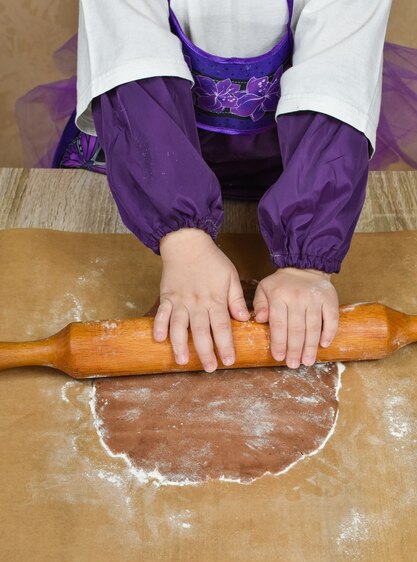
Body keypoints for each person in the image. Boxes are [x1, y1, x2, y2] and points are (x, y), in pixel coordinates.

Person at [68, 0, 393, 371]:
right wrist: (183, 241)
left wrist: (308, 262)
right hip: (150, 160)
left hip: (299, 166)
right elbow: (130, 55)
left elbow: (337, 77)